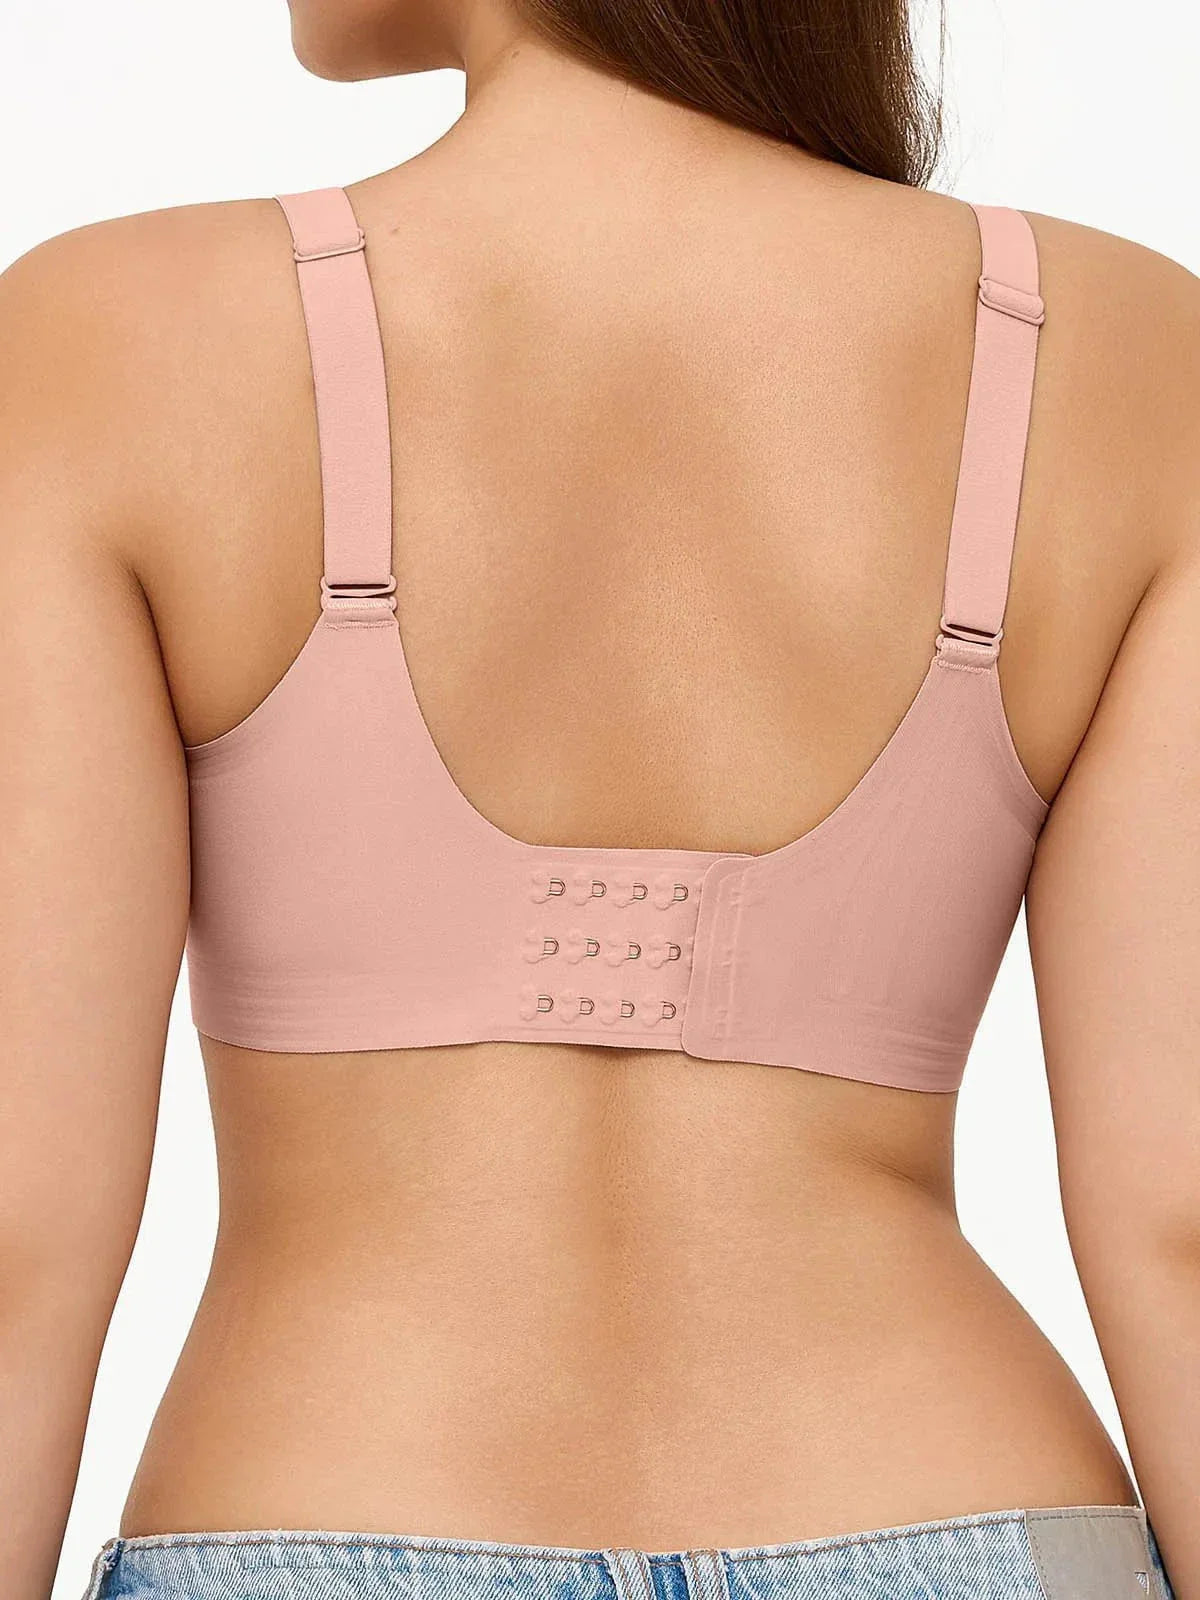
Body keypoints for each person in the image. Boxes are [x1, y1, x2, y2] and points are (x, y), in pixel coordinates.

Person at [1, 0, 1197, 1595]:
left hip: (324, 1498)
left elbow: (17, 1230)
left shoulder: (112, 335)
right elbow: (1183, 1218)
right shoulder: (1126, 349)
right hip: (966, 1510)